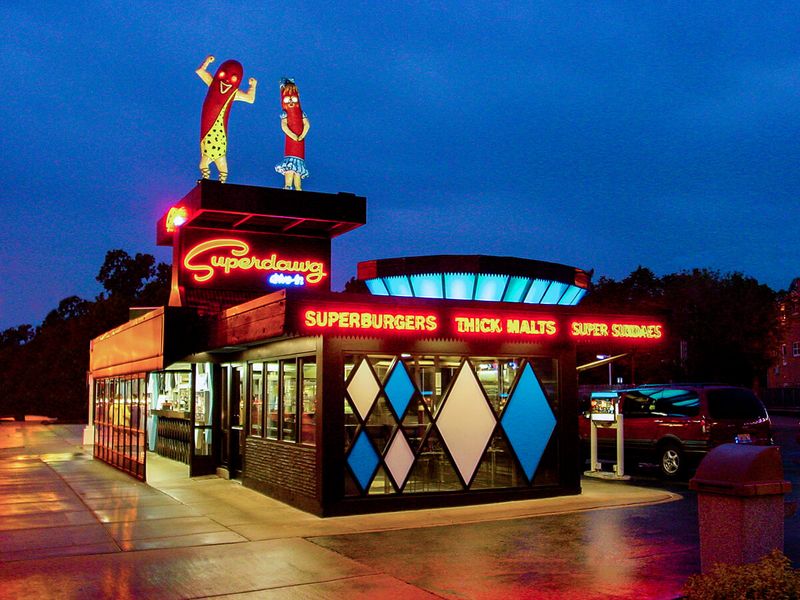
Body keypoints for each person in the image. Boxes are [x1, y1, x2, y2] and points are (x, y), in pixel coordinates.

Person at [196, 55, 257, 183]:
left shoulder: (233, 92)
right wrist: (207, 61)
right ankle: (208, 178)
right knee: (206, 162)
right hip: (209, 134)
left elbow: (250, 99)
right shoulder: (213, 83)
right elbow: (200, 71)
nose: (228, 80)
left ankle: (219, 180)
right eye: (224, 74)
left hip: (220, 138)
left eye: (233, 78)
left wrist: (253, 86)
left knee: (218, 164)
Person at [274, 78, 310, 190]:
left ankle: (298, 189)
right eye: (287, 100)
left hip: (299, 148)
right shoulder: (285, 113)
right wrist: (294, 135)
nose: (290, 102)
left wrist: (302, 135)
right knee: (290, 171)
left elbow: (307, 125)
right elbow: (284, 126)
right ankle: (288, 186)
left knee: (297, 173)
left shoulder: (301, 112)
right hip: (291, 147)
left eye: (293, 99)